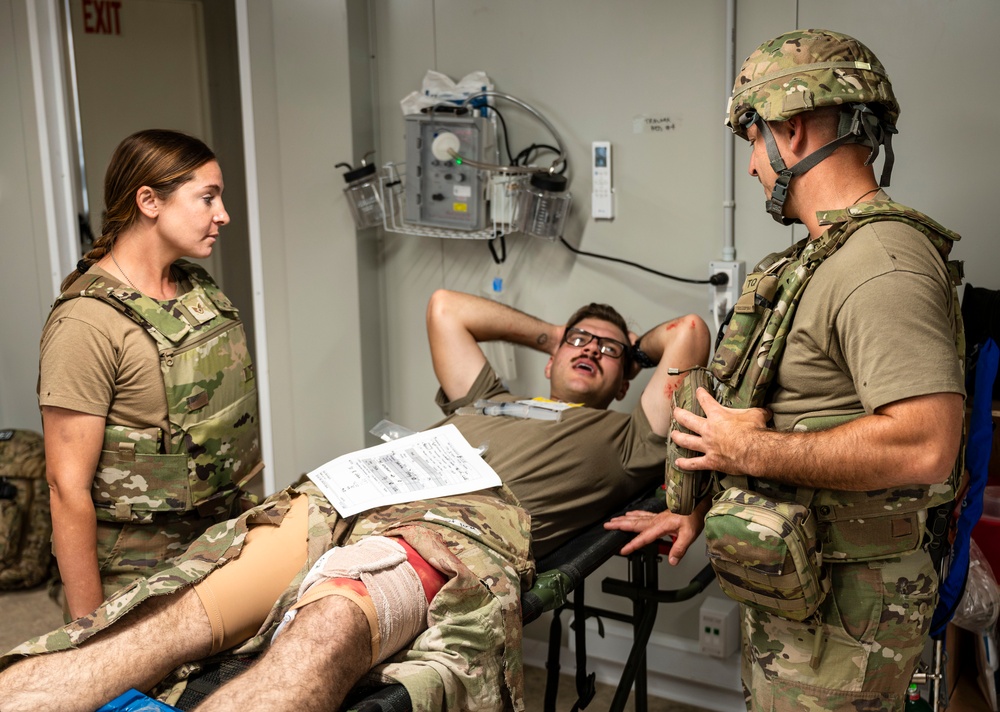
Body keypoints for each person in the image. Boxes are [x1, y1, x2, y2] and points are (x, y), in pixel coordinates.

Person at [0, 291, 710, 712]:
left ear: (627, 381)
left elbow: (687, 333)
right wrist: (556, 334)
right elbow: (445, 309)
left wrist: (630, 349)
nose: (589, 349)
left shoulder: (626, 436)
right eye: (578, 340)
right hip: (352, 494)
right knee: (167, 621)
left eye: (608, 351)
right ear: (551, 355)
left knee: (330, 624)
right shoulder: (492, 397)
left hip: (446, 529)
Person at [606, 29, 965, 711]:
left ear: (792, 131)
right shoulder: (812, 261)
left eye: (751, 141)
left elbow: (926, 443)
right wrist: (700, 510)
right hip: (802, 602)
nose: (751, 167)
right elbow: (796, 406)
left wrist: (751, 449)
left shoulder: (880, 263)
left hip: (848, 626)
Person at [38, 129, 262, 621]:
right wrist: (91, 635)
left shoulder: (191, 284)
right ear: (149, 201)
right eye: (208, 198)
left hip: (224, 536)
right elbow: (65, 487)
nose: (222, 214)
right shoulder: (85, 324)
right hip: (144, 572)